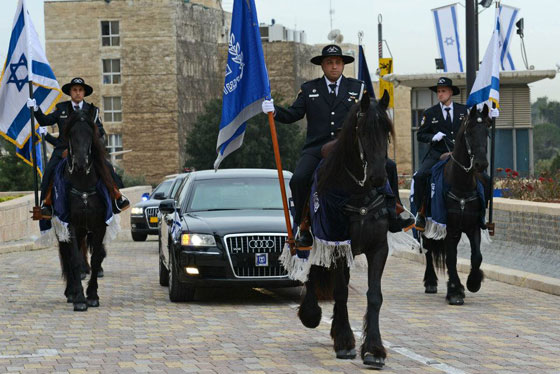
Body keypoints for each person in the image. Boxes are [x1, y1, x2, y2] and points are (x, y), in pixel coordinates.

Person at [262, 44, 413, 248]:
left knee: (390, 166)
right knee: (298, 179)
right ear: (322, 66)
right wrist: (274, 111)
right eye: (329, 63)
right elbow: (293, 115)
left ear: (343, 65)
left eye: (338, 63)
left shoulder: (357, 87)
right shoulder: (309, 89)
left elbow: (369, 114)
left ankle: (395, 209)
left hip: (349, 148)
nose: (334, 67)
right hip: (317, 147)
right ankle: (303, 224)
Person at [27, 77, 129, 218]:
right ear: (70, 92)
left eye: (80, 90)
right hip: (63, 149)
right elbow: (46, 120)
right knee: (49, 172)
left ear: (84, 93)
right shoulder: (61, 108)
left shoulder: (92, 111)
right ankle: (47, 204)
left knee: (107, 168)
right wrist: (36, 109)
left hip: (87, 150)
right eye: (74, 90)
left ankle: (117, 197)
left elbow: (101, 133)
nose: (77, 93)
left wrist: (91, 148)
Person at [413, 77, 468, 231]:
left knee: (482, 176)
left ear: (450, 92)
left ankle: (480, 215)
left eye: (443, 91)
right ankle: (421, 213)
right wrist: (432, 137)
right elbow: (420, 135)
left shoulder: (463, 111)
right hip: (437, 153)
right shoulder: (430, 113)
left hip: (459, 154)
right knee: (420, 176)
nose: (440, 94)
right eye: (438, 92)